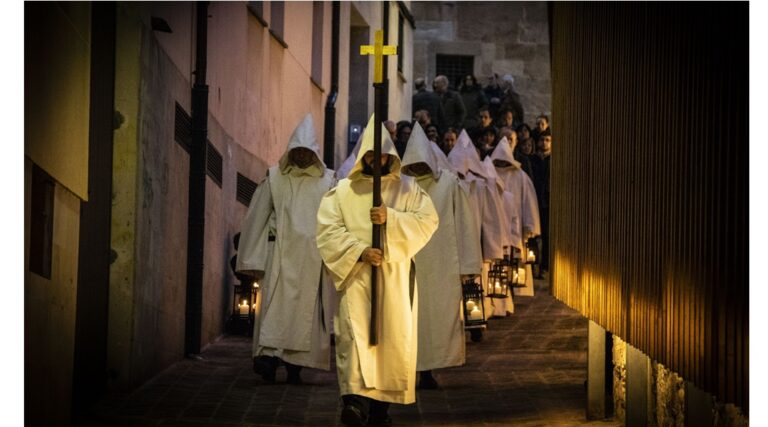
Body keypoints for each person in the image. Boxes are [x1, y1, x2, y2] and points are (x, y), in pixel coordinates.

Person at [316, 115, 439, 427]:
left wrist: (392, 219)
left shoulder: (408, 189)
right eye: (370, 155)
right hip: (356, 279)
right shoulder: (343, 191)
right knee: (354, 341)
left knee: (389, 346)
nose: (376, 160)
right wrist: (359, 251)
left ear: (390, 155)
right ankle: (354, 403)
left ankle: (380, 412)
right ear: (363, 155)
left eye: (381, 155)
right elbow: (328, 230)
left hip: (393, 281)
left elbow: (427, 220)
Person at [236, 114, 336, 384]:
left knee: (305, 313)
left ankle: (295, 366)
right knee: (273, 307)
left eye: (306, 151)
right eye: (298, 151)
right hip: (278, 256)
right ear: (290, 151)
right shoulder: (275, 179)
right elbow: (257, 217)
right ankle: (268, 359)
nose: (302, 156)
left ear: (314, 153)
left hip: (312, 258)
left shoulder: (329, 182)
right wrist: (251, 258)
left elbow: (335, 220)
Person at [400, 123, 482, 390]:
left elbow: (464, 224)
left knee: (435, 318)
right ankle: (407, 368)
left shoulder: (447, 184)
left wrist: (468, 265)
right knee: (406, 318)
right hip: (406, 262)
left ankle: (427, 369)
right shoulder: (399, 186)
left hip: (441, 263)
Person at [448, 130, 511, 321]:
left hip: (474, 240)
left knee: (474, 281)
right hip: (454, 241)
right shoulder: (448, 184)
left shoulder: (481, 185)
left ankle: (475, 318)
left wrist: (492, 247)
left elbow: (490, 218)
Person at [489, 136, 541, 297]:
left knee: (515, 262)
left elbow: (528, 202)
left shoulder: (520, 177)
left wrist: (530, 226)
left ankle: (513, 288)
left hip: (515, 226)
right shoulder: (489, 174)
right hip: (495, 225)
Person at [530, 129, 551, 274]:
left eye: (547, 140)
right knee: (532, 234)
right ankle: (532, 263)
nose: (544, 143)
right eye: (542, 140)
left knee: (547, 235)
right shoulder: (533, 160)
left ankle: (545, 266)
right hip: (535, 200)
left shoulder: (553, 160)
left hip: (547, 203)